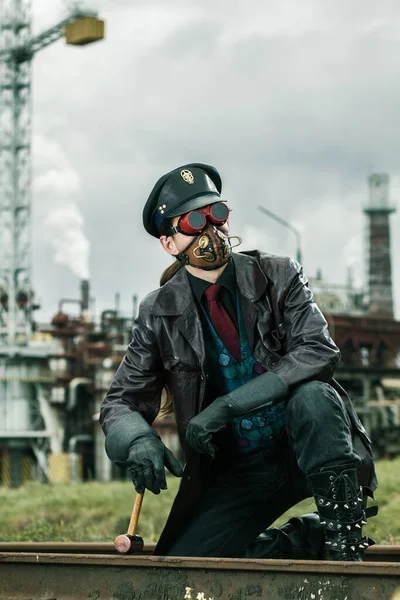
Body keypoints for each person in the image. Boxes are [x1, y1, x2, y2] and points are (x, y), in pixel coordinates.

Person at [100, 163, 378, 561]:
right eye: (194, 221)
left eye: (217, 214)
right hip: (241, 467)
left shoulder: (279, 273)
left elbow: (318, 351)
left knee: (313, 396)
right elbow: (120, 402)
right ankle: (308, 538)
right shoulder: (159, 311)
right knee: (191, 564)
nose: (210, 229)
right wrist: (137, 439)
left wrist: (226, 406)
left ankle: (343, 537)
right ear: (169, 243)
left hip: (308, 444)